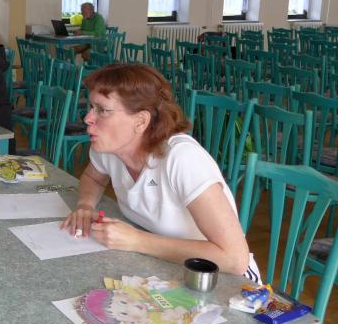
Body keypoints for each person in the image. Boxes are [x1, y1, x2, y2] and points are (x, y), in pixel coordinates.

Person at [60, 63, 260, 282]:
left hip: (221, 280)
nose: (88, 118)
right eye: (91, 107)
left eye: (103, 110)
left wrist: (137, 240)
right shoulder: (111, 149)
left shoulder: (182, 159)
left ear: (141, 121)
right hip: (165, 266)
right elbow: (93, 178)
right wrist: (85, 205)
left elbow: (235, 259)